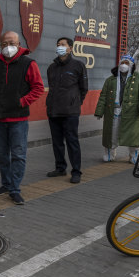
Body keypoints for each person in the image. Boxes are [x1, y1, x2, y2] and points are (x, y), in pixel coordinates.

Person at [0, 31, 45, 205]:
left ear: (19, 44)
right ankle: (6, 183)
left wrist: (22, 102)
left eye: (12, 43)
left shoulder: (28, 63)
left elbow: (38, 88)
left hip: (18, 119)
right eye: (5, 43)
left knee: (18, 155)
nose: (8, 46)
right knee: (2, 155)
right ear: (0, 46)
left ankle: (15, 189)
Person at [45, 37, 88, 184]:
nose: (60, 47)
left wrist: (75, 103)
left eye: (63, 45)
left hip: (70, 112)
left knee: (72, 142)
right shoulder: (51, 67)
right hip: (53, 110)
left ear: (70, 48)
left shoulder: (78, 65)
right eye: (58, 45)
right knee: (57, 142)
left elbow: (84, 89)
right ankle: (60, 167)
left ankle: (76, 171)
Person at [94, 54, 139, 163]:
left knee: (134, 136)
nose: (124, 65)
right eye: (122, 63)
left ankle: (134, 155)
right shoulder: (111, 79)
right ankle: (110, 154)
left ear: (132, 65)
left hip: (132, 112)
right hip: (113, 111)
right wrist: (99, 111)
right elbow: (103, 96)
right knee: (111, 135)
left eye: (127, 63)